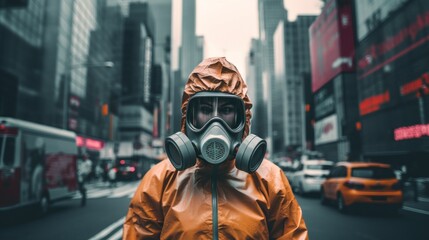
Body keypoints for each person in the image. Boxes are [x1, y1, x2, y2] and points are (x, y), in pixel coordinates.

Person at [123, 57, 308, 239]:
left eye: (227, 110)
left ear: (243, 119)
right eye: (205, 110)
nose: (215, 122)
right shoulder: (159, 180)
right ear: (189, 117)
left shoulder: (269, 179)